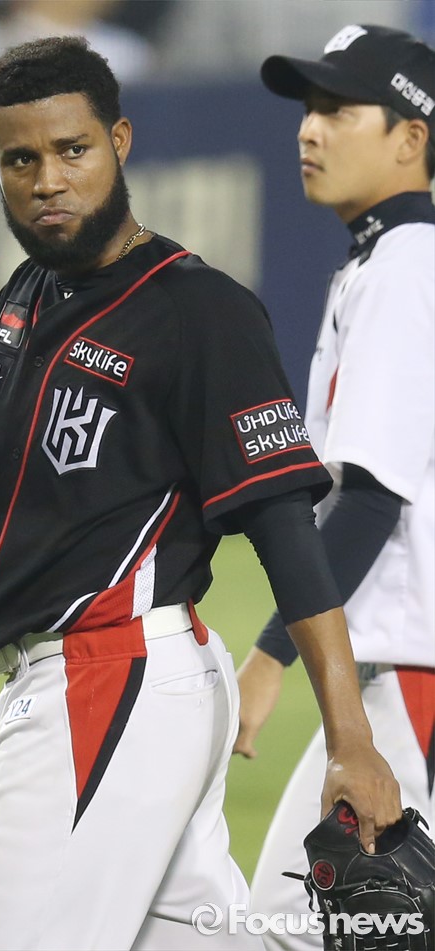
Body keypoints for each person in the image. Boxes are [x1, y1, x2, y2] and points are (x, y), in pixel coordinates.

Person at [0, 36, 400, 951]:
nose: (48, 180)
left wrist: (350, 739)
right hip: (110, 686)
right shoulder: (29, 292)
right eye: (21, 159)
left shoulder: (197, 309)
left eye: (73, 150)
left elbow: (284, 529)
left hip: (111, 678)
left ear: (120, 142)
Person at [233, 23, 435, 951]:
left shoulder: (407, 266)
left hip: (405, 681)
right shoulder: (385, 263)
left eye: (339, 109)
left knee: (290, 930)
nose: (309, 129)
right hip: (393, 677)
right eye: (307, 109)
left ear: (411, 137)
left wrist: (272, 655)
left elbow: (371, 500)